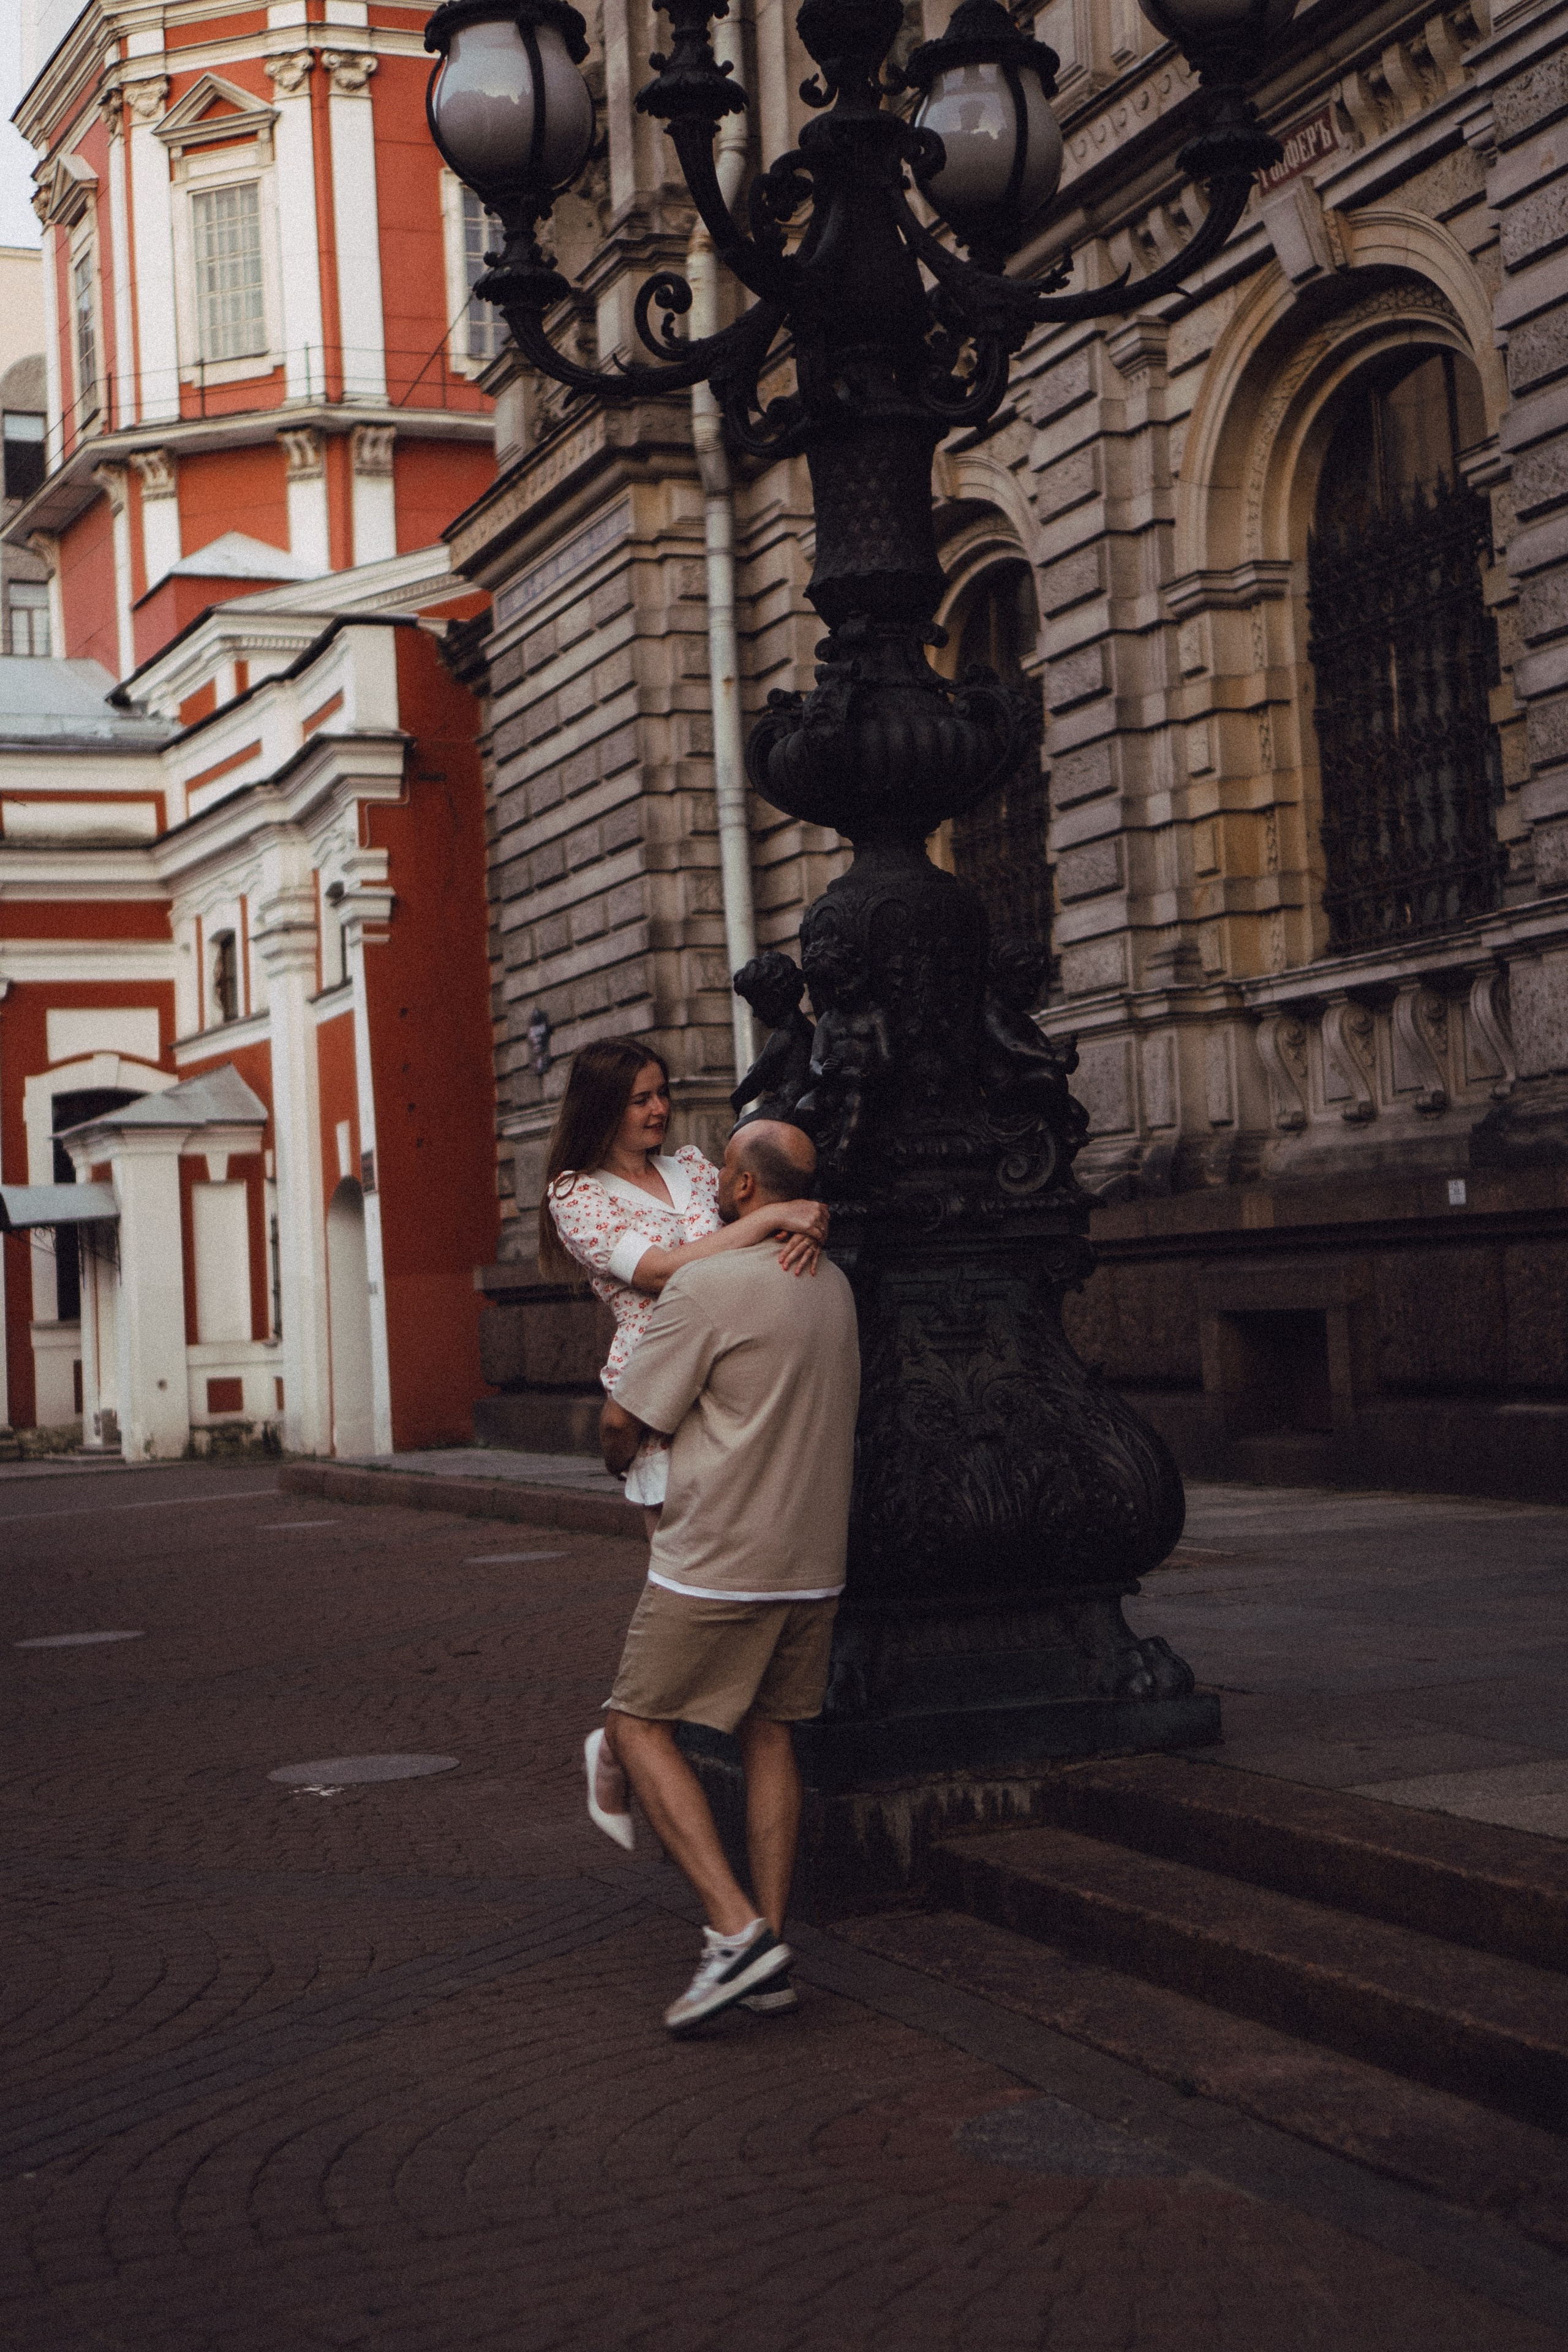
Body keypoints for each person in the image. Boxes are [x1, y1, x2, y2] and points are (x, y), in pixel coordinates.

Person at [584, 1119, 860, 2036]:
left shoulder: (706, 1286)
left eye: (721, 1180)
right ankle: (769, 1956)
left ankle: (735, 1931)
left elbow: (627, 1422)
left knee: (634, 1726)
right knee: (770, 1735)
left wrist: (628, 1457)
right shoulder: (836, 1288)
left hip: (718, 1560)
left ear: (743, 1190)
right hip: (813, 1562)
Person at [538, 1038, 829, 1532]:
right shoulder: (577, 1193)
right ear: (602, 1107)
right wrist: (776, 1217)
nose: (660, 1109)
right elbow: (658, 1271)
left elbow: (756, 1217)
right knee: (681, 1559)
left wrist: (804, 1228)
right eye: (641, 1100)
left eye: (662, 1093)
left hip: (738, 1358)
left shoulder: (690, 1168)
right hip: (661, 1377)